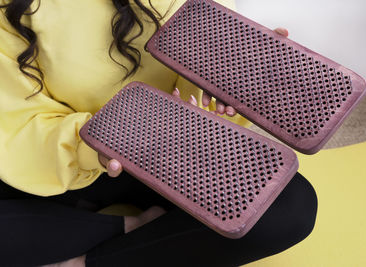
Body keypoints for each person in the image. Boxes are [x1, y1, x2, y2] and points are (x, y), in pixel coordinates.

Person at [0, 0, 318, 266]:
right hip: (68, 152)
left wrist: (231, 79)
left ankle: (83, 260)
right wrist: (97, 143)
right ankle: (135, 228)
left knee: (289, 208)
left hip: (175, 145)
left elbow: (201, 62)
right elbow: (17, 121)